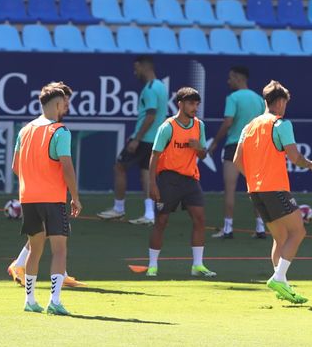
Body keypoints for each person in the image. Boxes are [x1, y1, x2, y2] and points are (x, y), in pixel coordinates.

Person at [234, 80, 312, 304]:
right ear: (281, 101)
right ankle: (279, 277)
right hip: (275, 188)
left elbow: (237, 161)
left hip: (255, 190)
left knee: (280, 237)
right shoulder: (281, 124)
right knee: (298, 232)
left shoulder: (248, 126)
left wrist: (255, 178)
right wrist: (310, 164)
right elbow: (294, 157)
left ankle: (281, 283)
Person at [10, 81, 82, 315]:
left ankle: (29, 300)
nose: (66, 109)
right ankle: (55, 300)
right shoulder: (60, 131)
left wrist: (32, 180)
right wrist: (75, 197)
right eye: (65, 104)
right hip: (52, 199)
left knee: (35, 250)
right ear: (58, 103)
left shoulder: (25, 130)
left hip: (28, 198)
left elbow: (14, 166)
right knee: (59, 250)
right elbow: (67, 168)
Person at [145, 87, 217, 278]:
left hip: (190, 179)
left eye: (196, 104)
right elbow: (154, 156)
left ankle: (198, 265)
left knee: (200, 219)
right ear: (180, 104)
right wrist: (152, 184)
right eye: (191, 103)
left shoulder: (199, 125)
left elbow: (203, 154)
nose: (195, 108)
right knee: (161, 221)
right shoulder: (167, 127)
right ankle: (152, 265)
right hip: (168, 179)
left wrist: (199, 148)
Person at [98, 55, 166, 225]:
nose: (134, 71)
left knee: (120, 167)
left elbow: (150, 116)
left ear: (143, 67)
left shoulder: (150, 88)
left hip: (144, 139)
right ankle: (149, 214)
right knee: (146, 175)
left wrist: (137, 139)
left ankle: (118, 208)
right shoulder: (161, 86)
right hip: (155, 139)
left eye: (136, 68)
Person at [206, 65, 267, 239]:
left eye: (230, 78)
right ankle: (260, 228)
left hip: (234, 146)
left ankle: (228, 228)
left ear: (239, 78)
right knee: (256, 190)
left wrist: (215, 142)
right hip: (255, 147)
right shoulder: (258, 99)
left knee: (230, 189)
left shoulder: (233, 98)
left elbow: (227, 122)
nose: (228, 81)